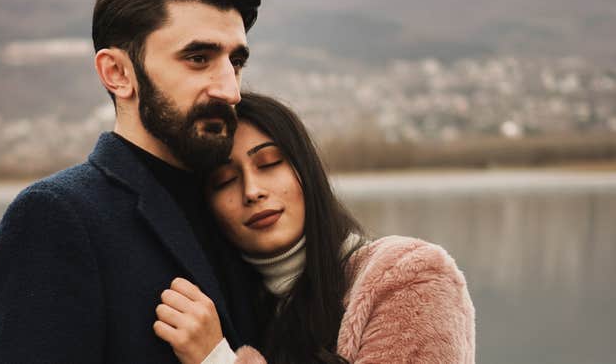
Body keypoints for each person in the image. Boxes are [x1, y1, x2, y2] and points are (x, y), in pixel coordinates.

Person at [0, 0, 262, 363]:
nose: (230, 90)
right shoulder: (56, 217)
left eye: (236, 62)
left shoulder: (240, 207)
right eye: (199, 58)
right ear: (117, 73)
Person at [154, 93, 476, 364]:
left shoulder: (408, 277)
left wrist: (216, 359)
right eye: (224, 180)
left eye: (268, 163)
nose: (252, 190)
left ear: (306, 171)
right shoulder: (231, 308)